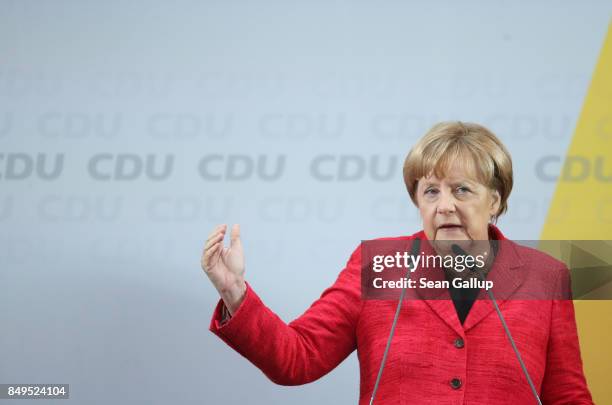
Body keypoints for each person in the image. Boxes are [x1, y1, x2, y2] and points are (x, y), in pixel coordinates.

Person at [201, 121, 593, 404]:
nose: (445, 206)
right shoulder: (378, 266)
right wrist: (234, 290)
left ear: (495, 200)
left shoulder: (546, 276)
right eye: (431, 191)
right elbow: (297, 358)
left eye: (462, 190)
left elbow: (567, 395)